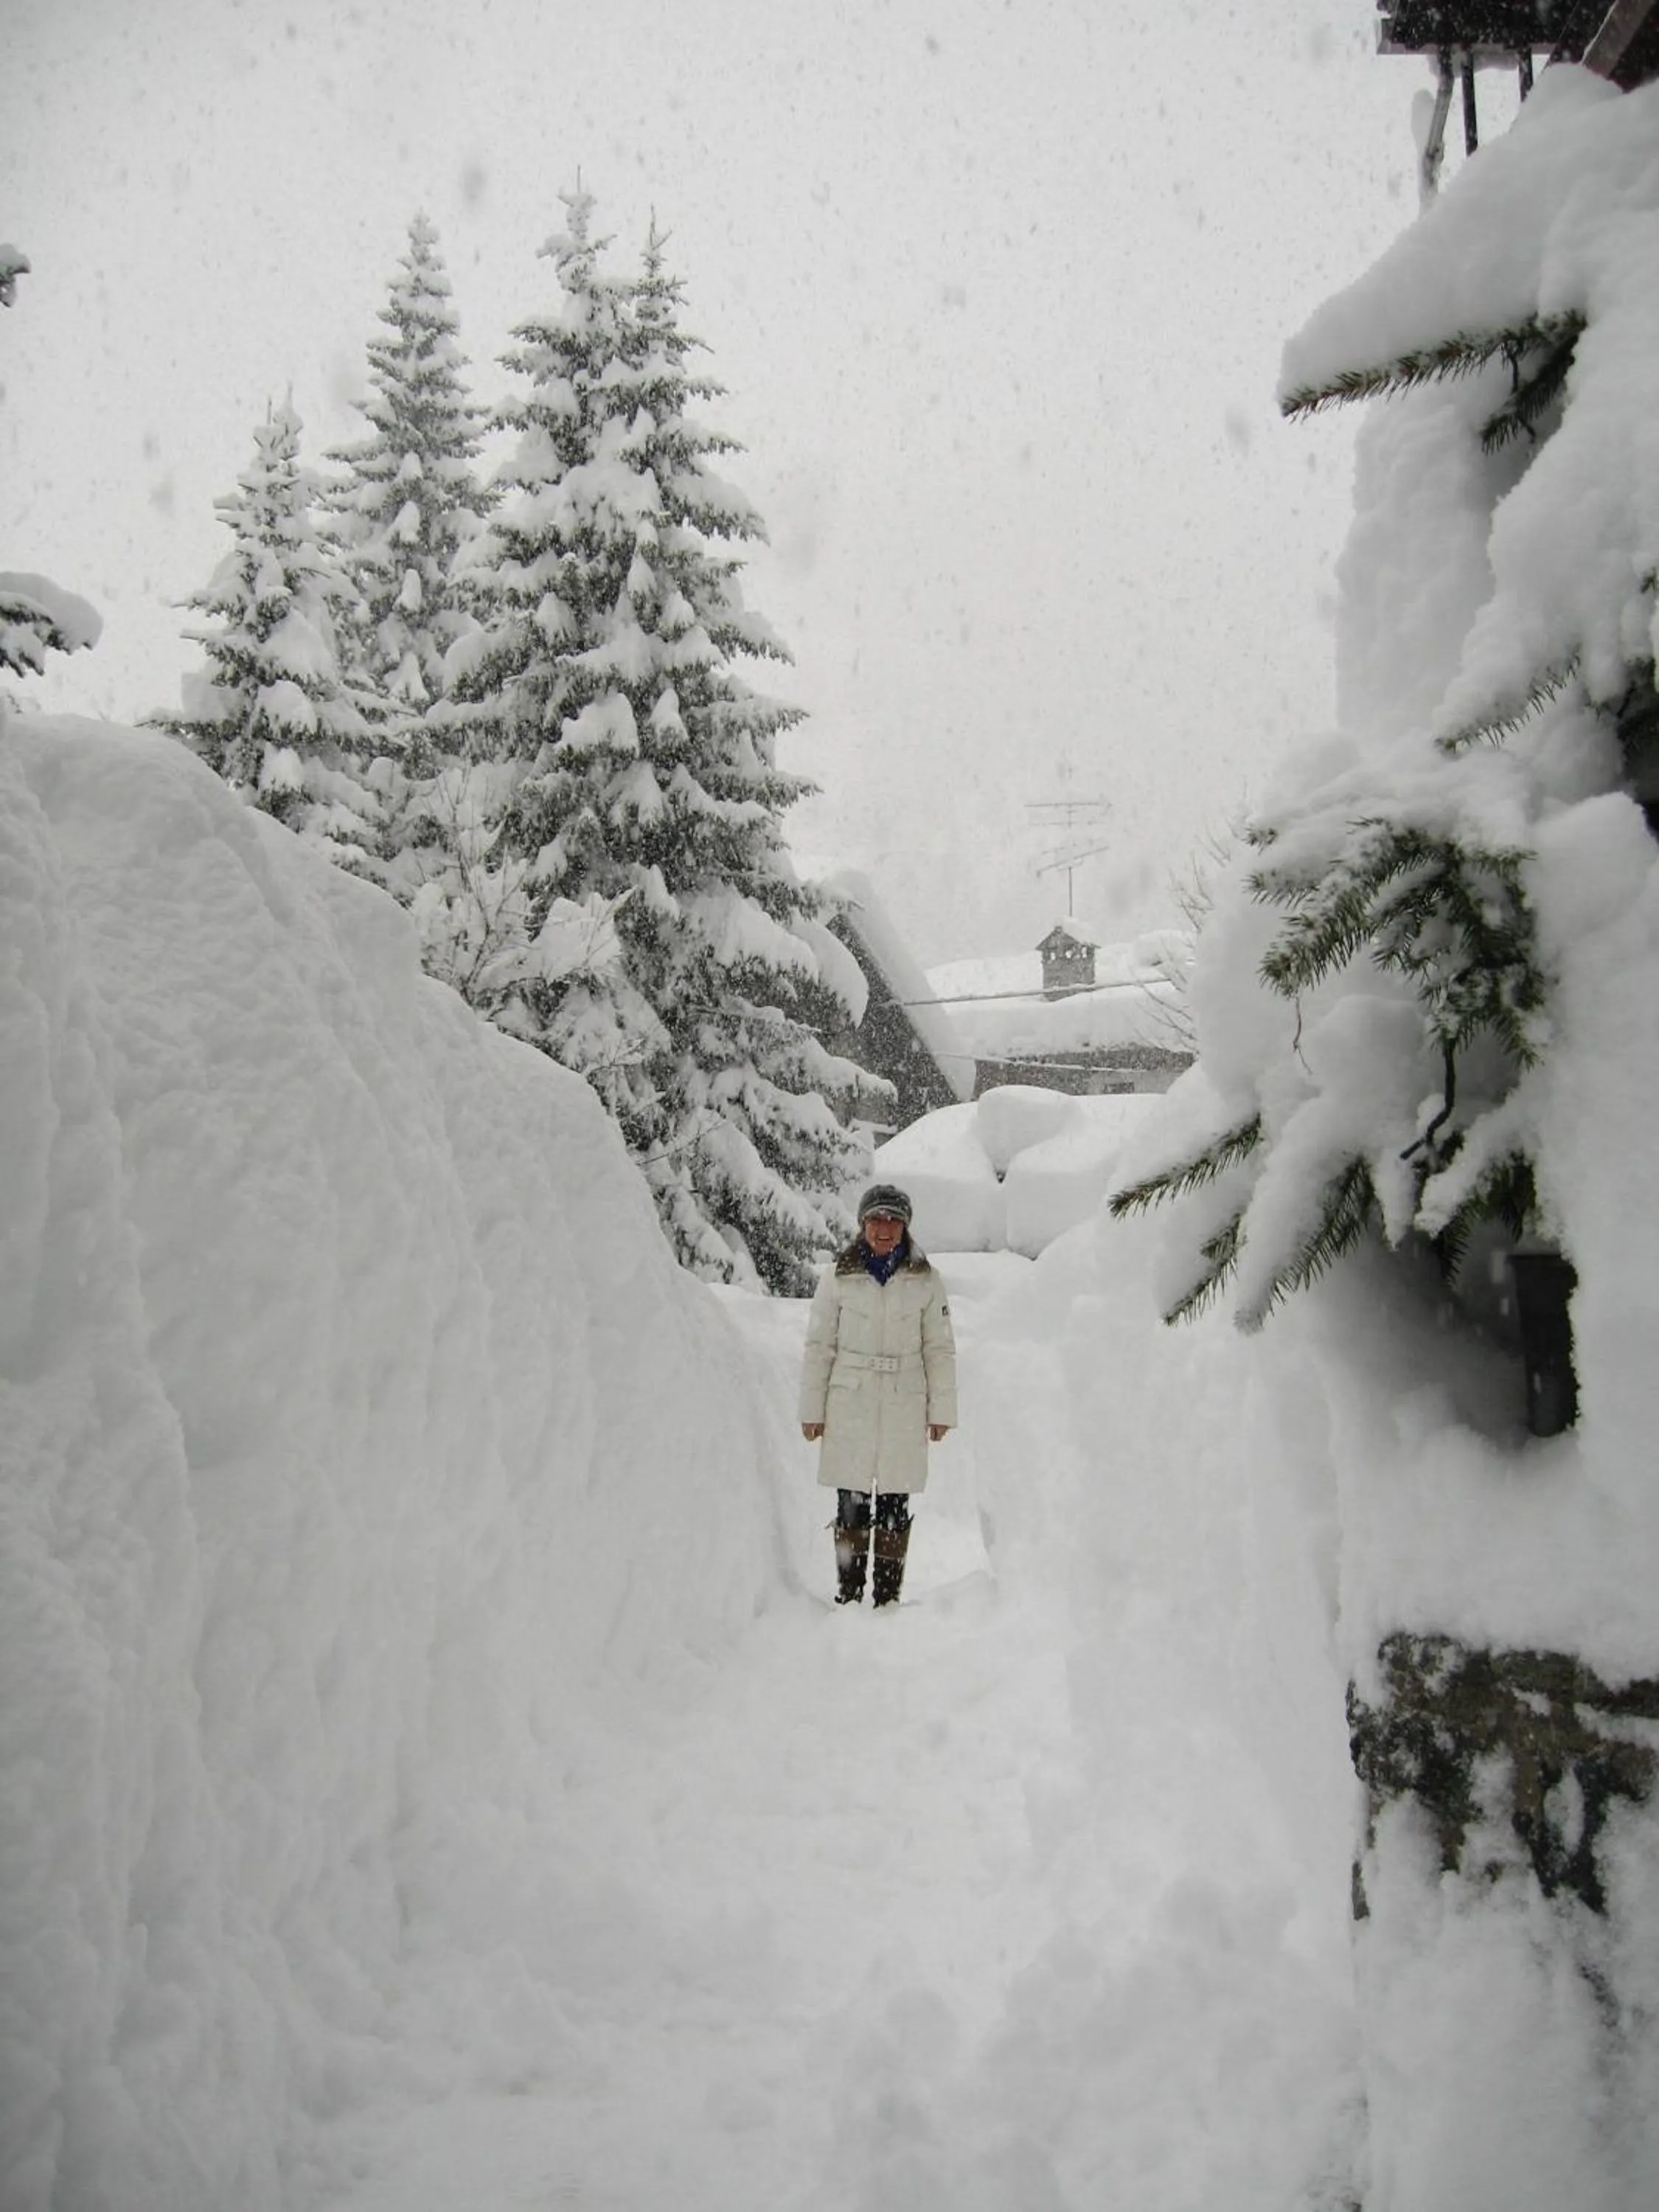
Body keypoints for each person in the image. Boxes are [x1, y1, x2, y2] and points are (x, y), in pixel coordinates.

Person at [799, 1183, 957, 1607]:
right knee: (851, 1498)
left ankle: (887, 1597)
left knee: (894, 1498)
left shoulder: (926, 1281)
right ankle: (849, 1593)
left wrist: (941, 1410)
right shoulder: (838, 1278)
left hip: (904, 1398)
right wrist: (812, 1410)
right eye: (876, 1220)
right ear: (863, 1225)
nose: (884, 1229)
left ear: (905, 1227)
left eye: (892, 1220)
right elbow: (819, 1346)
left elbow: (939, 1348)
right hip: (850, 1397)